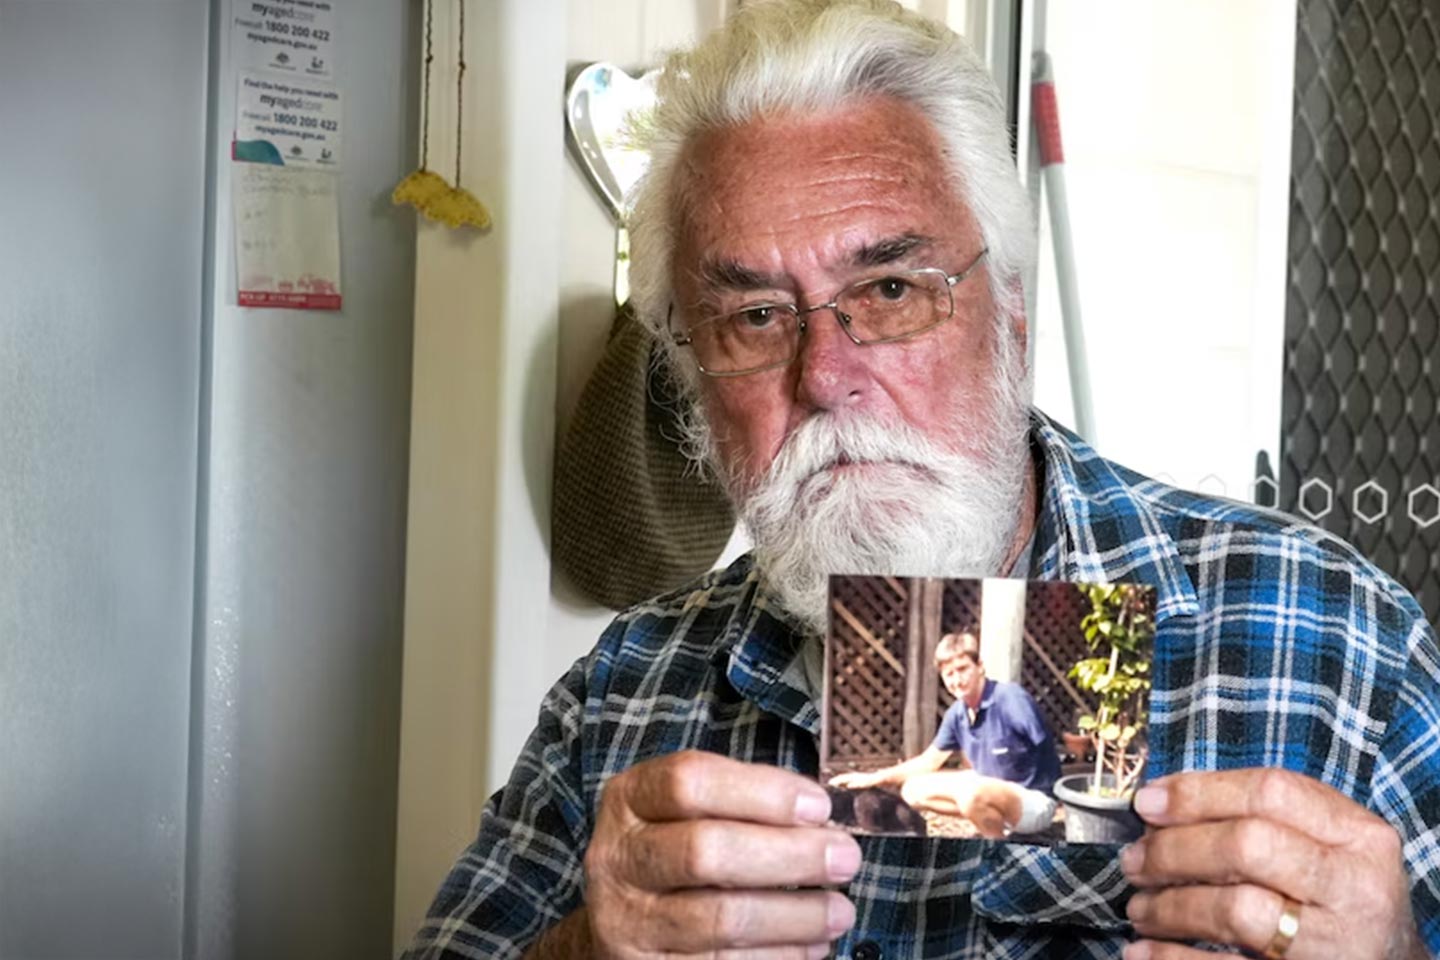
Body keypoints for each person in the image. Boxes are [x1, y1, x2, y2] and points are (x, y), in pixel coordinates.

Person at [404, 2, 1440, 957]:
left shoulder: (1332, 643)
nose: (827, 377)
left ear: (1015, 313)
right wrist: (587, 951)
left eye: (891, 288)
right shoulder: (624, 695)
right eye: (755, 317)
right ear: (692, 379)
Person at [829, 630, 1061, 838]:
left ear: (980, 666)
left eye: (962, 669)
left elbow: (1047, 747)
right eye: (948, 674)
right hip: (990, 788)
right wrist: (871, 777)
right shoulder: (958, 713)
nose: (956, 680)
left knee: (972, 794)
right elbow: (929, 761)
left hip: (1034, 801)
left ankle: (997, 851)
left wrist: (1059, 796)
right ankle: (990, 817)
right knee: (913, 789)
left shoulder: (1010, 698)